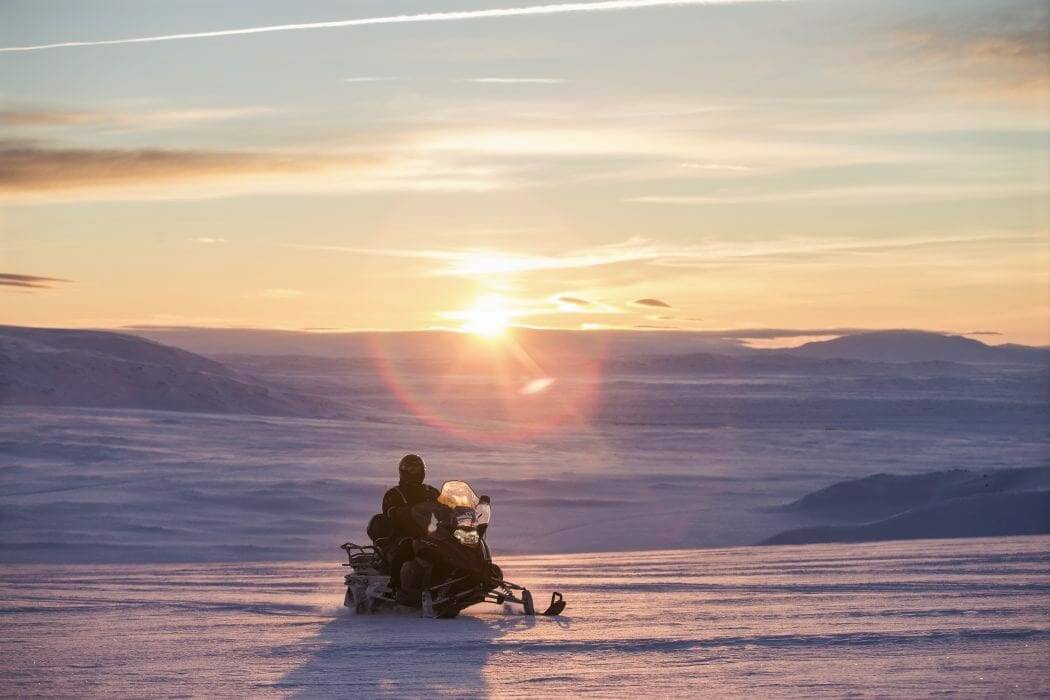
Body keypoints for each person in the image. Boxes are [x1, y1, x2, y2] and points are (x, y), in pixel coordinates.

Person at [381, 454, 440, 591]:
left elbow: (445, 507)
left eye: (417, 468)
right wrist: (402, 512)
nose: (415, 472)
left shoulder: (430, 492)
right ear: (403, 470)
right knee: (406, 546)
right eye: (411, 468)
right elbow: (390, 511)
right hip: (401, 534)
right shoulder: (394, 493)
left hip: (427, 534)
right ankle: (395, 586)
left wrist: (457, 512)